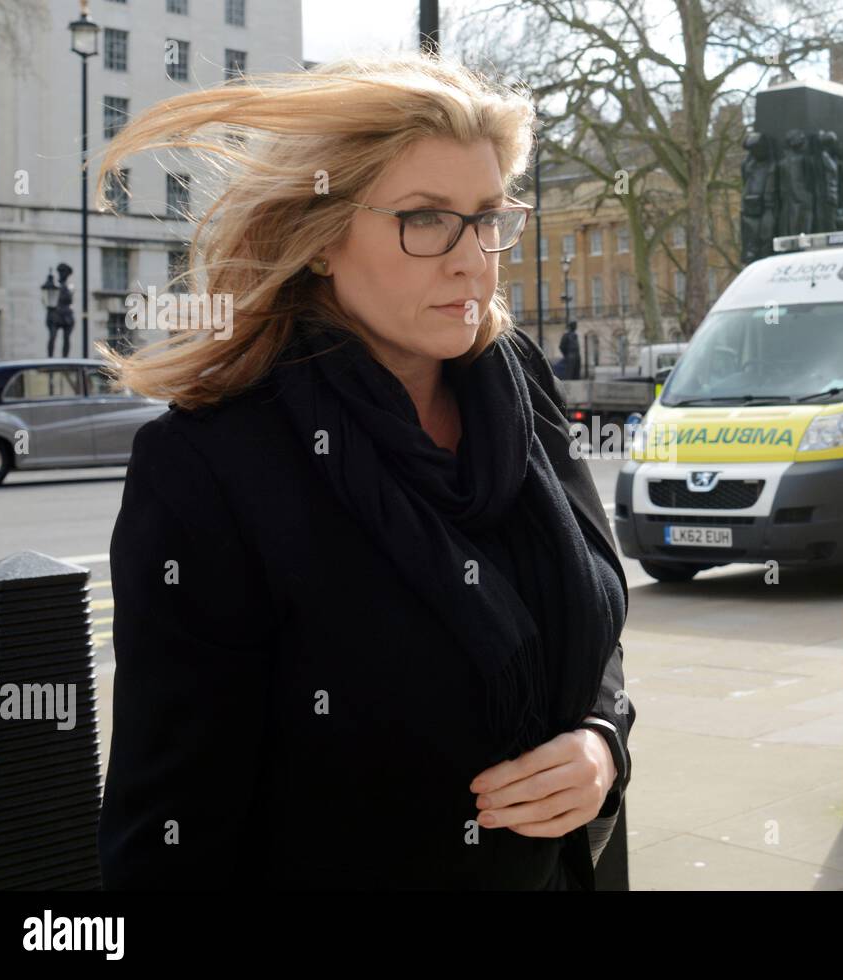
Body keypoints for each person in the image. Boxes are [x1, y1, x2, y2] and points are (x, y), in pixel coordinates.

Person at [93, 54, 633, 890]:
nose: (471, 260)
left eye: (488, 217)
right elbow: (170, 824)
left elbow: (590, 611)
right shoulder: (210, 465)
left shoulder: (518, 377)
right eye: (425, 220)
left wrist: (601, 741)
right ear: (319, 239)